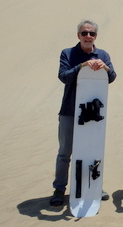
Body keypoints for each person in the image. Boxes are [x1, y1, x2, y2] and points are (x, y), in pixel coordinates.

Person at [50, 20, 117, 207]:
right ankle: (59, 189)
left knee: (92, 151)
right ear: (78, 35)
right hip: (70, 111)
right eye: (85, 33)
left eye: (92, 34)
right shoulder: (68, 53)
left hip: (93, 114)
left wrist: (105, 68)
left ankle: (94, 186)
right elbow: (63, 76)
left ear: (96, 36)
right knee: (65, 152)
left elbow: (111, 78)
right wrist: (82, 66)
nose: (88, 36)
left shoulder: (102, 54)